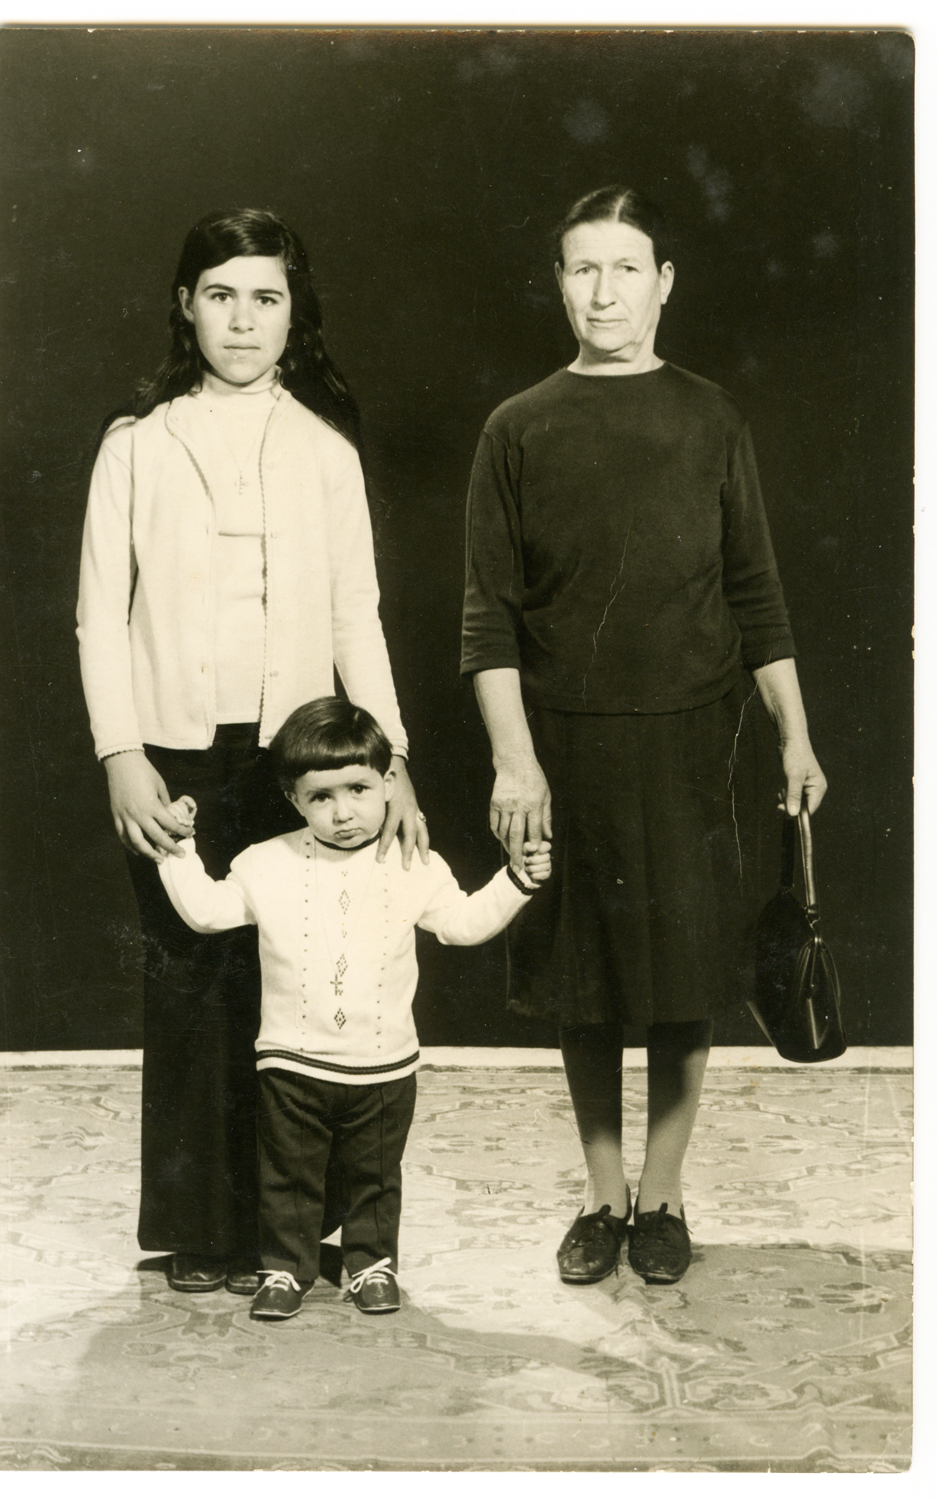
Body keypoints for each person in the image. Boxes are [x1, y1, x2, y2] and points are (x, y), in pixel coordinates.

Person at [461, 185, 827, 1288]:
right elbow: (487, 616)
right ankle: (601, 1197)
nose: (603, 291)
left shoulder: (710, 418)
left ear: (663, 283)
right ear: (557, 283)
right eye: (582, 268)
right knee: (584, 984)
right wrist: (514, 761)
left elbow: (755, 595)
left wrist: (795, 737)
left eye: (626, 268)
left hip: (690, 745)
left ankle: (662, 1198)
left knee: (680, 978)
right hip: (564, 748)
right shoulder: (516, 426)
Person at [76, 208, 428, 1296]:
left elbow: (356, 615)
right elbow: (99, 615)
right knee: (191, 981)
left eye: (265, 298)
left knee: (295, 986)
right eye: (220, 295)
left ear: (292, 313)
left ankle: (294, 1230)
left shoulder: (324, 451)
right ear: (186, 306)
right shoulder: (137, 444)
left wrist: (394, 763)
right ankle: (200, 1228)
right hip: (171, 755)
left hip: (297, 758)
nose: (242, 320)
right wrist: (120, 752)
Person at [156, 697, 551, 1319]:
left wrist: (516, 880)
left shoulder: (414, 862)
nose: (343, 813)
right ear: (293, 799)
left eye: (359, 789)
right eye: (321, 797)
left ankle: (372, 1265)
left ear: (389, 782)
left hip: (384, 1066)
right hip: (291, 1065)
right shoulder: (265, 863)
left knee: (375, 1177)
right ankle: (284, 1269)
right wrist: (178, 847)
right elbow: (206, 912)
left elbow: (462, 925)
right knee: (288, 1176)